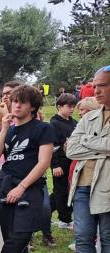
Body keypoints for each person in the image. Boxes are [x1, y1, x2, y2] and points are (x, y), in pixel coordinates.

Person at [0, 85, 55, 253]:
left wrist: (22, 187)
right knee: (9, 233)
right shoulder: (10, 129)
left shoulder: (42, 128)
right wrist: (4, 129)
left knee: (22, 233)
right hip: (5, 183)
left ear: (32, 106)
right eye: (14, 101)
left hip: (29, 186)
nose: (16, 105)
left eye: (22, 102)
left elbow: (44, 162)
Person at [58, 67, 110, 253]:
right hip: (81, 186)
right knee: (83, 240)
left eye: (103, 85)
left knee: (108, 242)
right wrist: (101, 148)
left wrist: (86, 143)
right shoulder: (89, 118)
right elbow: (70, 150)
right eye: (95, 85)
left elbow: (79, 145)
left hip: (106, 188)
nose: (96, 90)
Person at [48, 93, 77, 231]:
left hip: (72, 163)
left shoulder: (73, 122)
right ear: (59, 106)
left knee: (64, 191)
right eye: (69, 106)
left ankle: (43, 212)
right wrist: (55, 165)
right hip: (60, 163)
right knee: (61, 192)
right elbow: (52, 147)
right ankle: (64, 219)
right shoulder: (54, 124)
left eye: (74, 106)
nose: (72, 109)